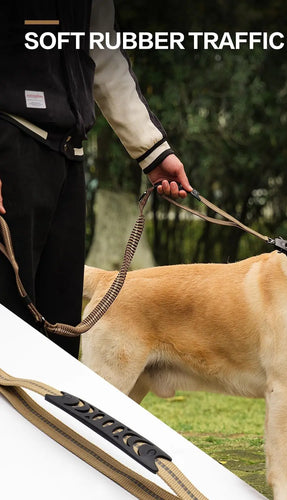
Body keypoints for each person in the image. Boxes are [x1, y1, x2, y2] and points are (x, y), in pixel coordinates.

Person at [0, 0, 192, 358]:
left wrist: (153, 152)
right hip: (10, 146)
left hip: (68, 162)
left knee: (59, 335)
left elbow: (102, 53)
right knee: (6, 326)